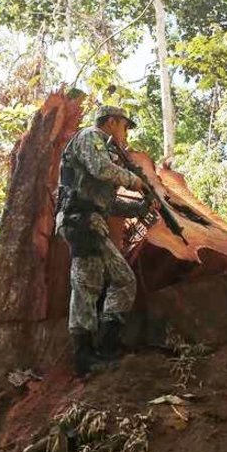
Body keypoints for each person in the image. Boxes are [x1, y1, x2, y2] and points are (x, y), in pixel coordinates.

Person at [56, 105, 152, 377]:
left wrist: (140, 208)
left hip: (91, 220)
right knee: (87, 283)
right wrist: (135, 180)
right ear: (110, 122)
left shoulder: (103, 150)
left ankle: (108, 346)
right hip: (79, 220)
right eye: (124, 126)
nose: (126, 134)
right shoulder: (90, 137)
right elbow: (101, 168)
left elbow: (107, 203)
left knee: (115, 280)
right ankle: (84, 357)